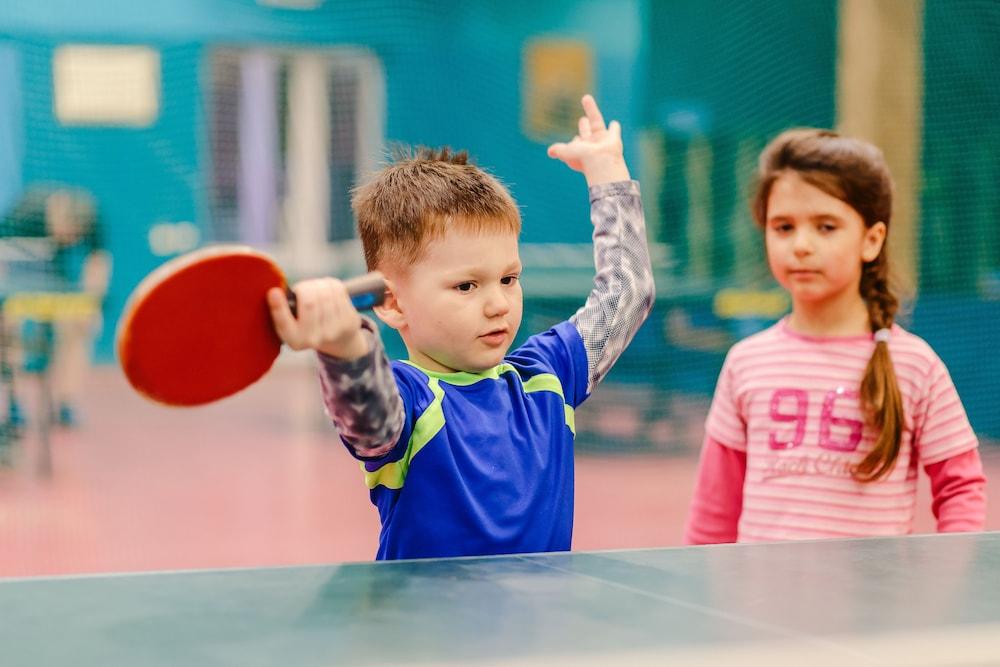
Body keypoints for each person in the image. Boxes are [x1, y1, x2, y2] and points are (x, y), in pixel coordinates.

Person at [268, 95, 654, 560]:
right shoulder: (409, 400)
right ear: (392, 303)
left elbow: (626, 293)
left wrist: (607, 172)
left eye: (509, 279)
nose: (498, 305)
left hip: (542, 628)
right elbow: (368, 415)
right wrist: (344, 342)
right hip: (426, 631)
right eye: (466, 286)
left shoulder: (548, 376)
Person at [684, 129, 986, 544]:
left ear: (871, 239)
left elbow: (961, 488)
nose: (801, 245)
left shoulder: (916, 365)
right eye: (783, 227)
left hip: (874, 607)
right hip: (759, 606)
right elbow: (714, 510)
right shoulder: (745, 361)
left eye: (826, 227)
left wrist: (953, 575)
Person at [0, 185, 111, 428]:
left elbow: (98, 260)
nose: (69, 240)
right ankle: (15, 403)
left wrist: (92, 305)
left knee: (81, 325)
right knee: (8, 329)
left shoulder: (91, 215)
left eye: (75, 237)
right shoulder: (24, 211)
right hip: (16, 280)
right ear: (56, 213)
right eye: (67, 234)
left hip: (57, 280)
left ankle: (66, 404)